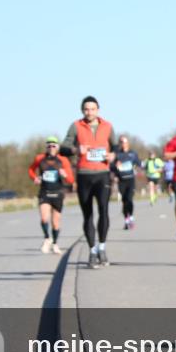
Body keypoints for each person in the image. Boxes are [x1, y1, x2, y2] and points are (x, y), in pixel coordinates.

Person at [61, 96, 118, 268]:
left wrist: (113, 155)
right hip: (84, 175)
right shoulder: (76, 126)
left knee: (103, 210)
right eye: (86, 109)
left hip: (102, 174)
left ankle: (102, 248)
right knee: (88, 215)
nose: (89, 112)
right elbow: (63, 148)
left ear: (98, 110)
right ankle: (92, 251)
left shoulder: (107, 126)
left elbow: (114, 147)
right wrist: (75, 149)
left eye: (92, 109)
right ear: (82, 110)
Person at [28, 136, 74, 255]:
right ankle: (47, 238)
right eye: (49, 145)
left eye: (54, 145)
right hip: (45, 192)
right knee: (44, 218)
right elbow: (31, 170)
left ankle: (55, 244)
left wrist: (64, 176)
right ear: (46, 147)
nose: (51, 147)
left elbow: (71, 179)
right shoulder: (39, 158)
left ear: (57, 147)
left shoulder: (63, 160)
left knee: (56, 222)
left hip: (58, 193)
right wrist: (35, 178)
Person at [111, 135, 140, 230]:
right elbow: (111, 167)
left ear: (128, 143)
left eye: (124, 142)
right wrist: (115, 167)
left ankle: (131, 217)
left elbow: (139, 163)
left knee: (129, 199)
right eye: (121, 142)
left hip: (130, 179)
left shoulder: (133, 153)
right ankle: (126, 220)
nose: (123, 144)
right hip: (121, 180)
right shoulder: (117, 154)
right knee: (124, 201)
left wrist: (136, 167)